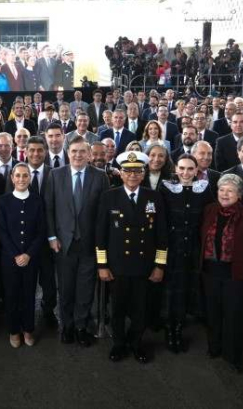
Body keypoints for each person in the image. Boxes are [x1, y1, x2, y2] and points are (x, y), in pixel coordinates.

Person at [97, 151, 168, 363]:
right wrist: (102, 264)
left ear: (144, 172)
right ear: (120, 173)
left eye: (137, 171)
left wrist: (159, 265)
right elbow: (100, 234)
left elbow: (162, 235)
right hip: (118, 265)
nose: (133, 175)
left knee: (140, 309)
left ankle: (136, 343)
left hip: (144, 265)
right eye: (128, 171)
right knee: (117, 308)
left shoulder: (154, 197)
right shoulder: (109, 196)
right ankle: (119, 344)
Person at [46, 135, 109, 346]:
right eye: (74, 151)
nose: (78, 155)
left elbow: (104, 214)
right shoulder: (55, 175)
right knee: (65, 288)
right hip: (63, 244)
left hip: (89, 244)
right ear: (67, 153)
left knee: (85, 288)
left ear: (89, 154)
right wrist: (52, 236)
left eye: (82, 151)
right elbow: (49, 209)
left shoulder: (100, 177)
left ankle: (81, 326)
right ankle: (67, 326)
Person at [200, 174, 243, 373]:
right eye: (221, 190)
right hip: (210, 272)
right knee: (213, 313)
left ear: (239, 194)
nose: (225, 194)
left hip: (236, 275)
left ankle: (233, 355)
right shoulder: (209, 210)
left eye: (230, 191)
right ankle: (214, 348)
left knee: (234, 316)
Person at [159, 154, 212, 353]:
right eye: (181, 168)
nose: (185, 173)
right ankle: (169, 329)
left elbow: (209, 216)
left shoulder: (204, 188)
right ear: (175, 169)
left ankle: (179, 327)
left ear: (197, 170)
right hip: (172, 247)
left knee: (187, 289)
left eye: (190, 169)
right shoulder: (166, 188)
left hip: (194, 248)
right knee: (171, 291)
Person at [0, 163, 46, 348]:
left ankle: (28, 329)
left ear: (30, 178)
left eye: (25, 176)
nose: (21, 179)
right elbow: (2, 231)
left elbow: (41, 231)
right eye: (18, 175)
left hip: (31, 259)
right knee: (11, 295)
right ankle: (13, 330)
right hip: (10, 259)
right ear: (12, 177)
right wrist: (17, 255)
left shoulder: (37, 200)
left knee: (29, 296)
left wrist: (28, 254)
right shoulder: (3, 201)